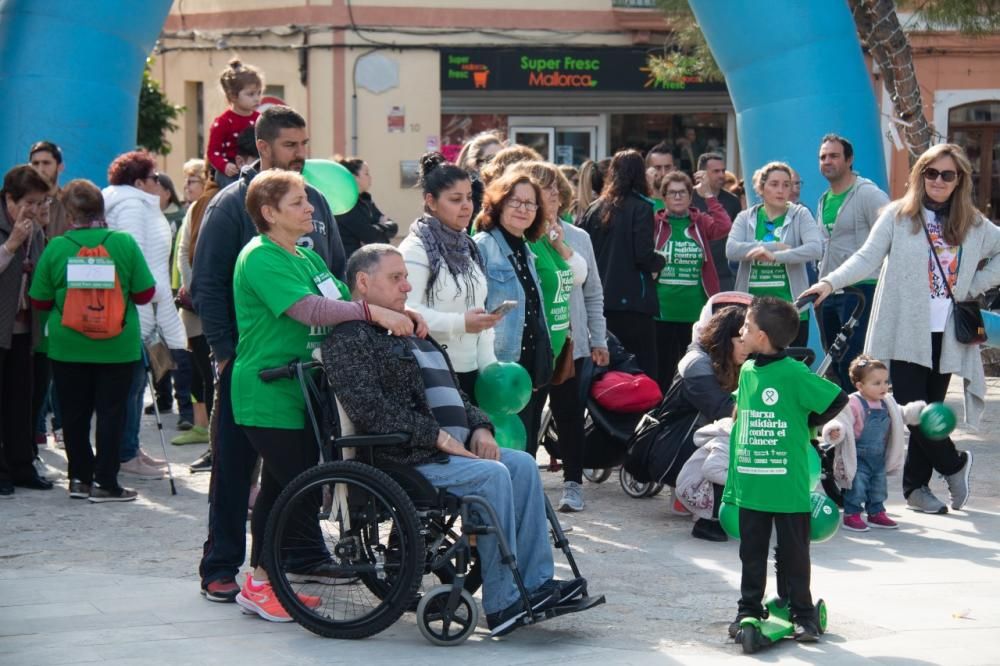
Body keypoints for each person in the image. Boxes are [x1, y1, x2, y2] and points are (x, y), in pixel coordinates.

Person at [324, 244, 586, 637]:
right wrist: (438, 436)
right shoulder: (351, 339)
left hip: (450, 448)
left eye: (405, 277)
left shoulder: (411, 331)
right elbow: (368, 409)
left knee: (523, 464)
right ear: (363, 283)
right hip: (405, 455)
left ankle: (535, 584)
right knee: (494, 475)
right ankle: (503, 603)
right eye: (396, 278)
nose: (407, 285)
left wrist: (480, 426)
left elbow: (457, 396)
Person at [229, 171, 417, 622]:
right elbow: (310, 310)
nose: (311, 209)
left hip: (303, 392)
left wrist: (397, 311)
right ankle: (261, 581)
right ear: (269, 213)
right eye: (298, 203)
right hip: (268, 390)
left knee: (281, 489)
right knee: (294, 489)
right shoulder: (260, 257)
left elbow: (341, 299)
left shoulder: (307, 258)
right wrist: (375, 313)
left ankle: (262, 581)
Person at [192, 105, 347, 603]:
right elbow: (207, 285)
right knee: (236, 468)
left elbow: (334, 270)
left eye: (304, 145)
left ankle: (301, 554)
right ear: (262, 148)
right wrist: (224, 353)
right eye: (290, 146)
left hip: (301, 368)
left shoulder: (316, 200)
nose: (301, 155)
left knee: (295, 467)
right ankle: (222, 566)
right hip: (248, 364)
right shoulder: (231, 205)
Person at [800, 143, 1000, 515]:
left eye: (947, 175)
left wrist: (973, 284)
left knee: (930, 408)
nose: (938, 181)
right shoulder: (898, 215)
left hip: (949, 332)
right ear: (919, 175)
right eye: (931, 172)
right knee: (912, 409)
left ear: (959, 181)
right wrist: (828, 283)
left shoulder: (972, 223)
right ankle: (954, 463)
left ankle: (915, 489)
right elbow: (866, 257)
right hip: (907, 330)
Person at [725, 296, 847, 643]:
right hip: (752, 481)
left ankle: (804, 615)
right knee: (751, 552)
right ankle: (748, 608)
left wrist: (806, 423)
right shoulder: (747, 370)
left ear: (762, 336)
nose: (741, 331)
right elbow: (741, 414)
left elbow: (837, 398)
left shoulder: (795, 373)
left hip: (787, 483)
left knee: (794, 554)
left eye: (746, 326)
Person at [29, 179, 156, 502]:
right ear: (101, 207)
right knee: (112, 414)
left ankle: (78, 480)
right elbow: (145, 293)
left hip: (68, 346)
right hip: (117, 347)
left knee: (73, 416)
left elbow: (40, 300)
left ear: (69, 212)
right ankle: (105, 483)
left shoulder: (57, 246)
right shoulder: (124, 244)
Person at [509, 160, 601, 511]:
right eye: (537, 190)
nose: (546, 196)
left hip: (570, 343)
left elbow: (592, 290)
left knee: (570, 415)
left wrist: (599, 340)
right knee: (528, 418)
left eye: (550, 189)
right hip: (531, 345)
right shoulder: (521, 236)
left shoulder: (578, 237)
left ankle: (573, 484)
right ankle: (527, 484)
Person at [103, 151, 186, 478]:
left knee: (134, 386)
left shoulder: (126, 205)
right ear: (139, 182)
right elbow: (134, 261)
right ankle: (126, 454)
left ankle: (131, 448)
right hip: (135, 311)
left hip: (137, 309)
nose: (158, 182)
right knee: (133, 387)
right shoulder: (133, 209)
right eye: (154, 177)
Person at [399, 152, 498, 399]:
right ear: (431, 201)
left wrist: (490, 369)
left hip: (473, 373)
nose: (466, 206)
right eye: (455, 199)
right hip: (432, 373)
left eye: (469, 197)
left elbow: (479, 312)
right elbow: (407, 312)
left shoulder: (468, 246)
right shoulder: (415, 249)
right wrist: (461, 323)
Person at [474, 172, 553, 458]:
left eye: (530, 204)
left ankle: (524, 499)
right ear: (498, 204)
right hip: (500, 365)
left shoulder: (526, 249)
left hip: (527, 368)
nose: (523, 209)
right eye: (515, 201)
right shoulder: (483, 245)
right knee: (501, 447)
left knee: (527, 443)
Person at [580, 149, 665, 382]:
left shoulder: (594, 208)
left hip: (599, 302)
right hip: (634, 303)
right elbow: (643, 255)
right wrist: (661, 261)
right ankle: (642, 417)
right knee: (642, 370)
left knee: (605, 371)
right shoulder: (642, 207)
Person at [815, 134, 890, 389]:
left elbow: (892, 230)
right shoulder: (823, 199)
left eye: (834, 156)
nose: (827, 161)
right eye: (823, 157)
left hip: (861, 287)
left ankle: (860, 416)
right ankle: (844, 417)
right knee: (833, 361)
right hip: (828, 289)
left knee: (855, 360)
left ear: (849, 159)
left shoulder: (868, 193)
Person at [822, 355, 926, 532]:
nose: (884, 387)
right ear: (860, 386)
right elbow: (841, 420)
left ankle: (876, 512)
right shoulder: (853, 403)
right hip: (858, 455)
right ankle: (852, 515)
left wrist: (916, 411)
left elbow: (901, 413)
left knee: (878, 487)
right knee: (857, 487)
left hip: (878, 455)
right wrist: (834, 430)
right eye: (877, 383)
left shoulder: (887, 402)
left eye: (886, 382)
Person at [672, 304, 748, 541]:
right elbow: (721, 408)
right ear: (726, 339)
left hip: (704, 436)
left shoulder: (736, 362)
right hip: (677, 442)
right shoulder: (697, 362)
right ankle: (710, 517)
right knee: (729, 441)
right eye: (741, 341)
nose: (747, 347)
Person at [726, 162, 823, 346]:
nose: (781, 190)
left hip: (791, 310)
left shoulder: (800, 214)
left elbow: (815, 249)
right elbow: (731, 249)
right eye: (774, 184)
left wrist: (777, 257)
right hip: (752, 312)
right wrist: (774, 247)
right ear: (761, 188)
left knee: (789, 369)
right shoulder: (745, 217)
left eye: (786, 185)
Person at [653, 171, 732, 389]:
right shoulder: (655, 223)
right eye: (672, 193)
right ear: (664, 197)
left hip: (694, 312)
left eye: (683, 193)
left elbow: (724, 226)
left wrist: (708, 196)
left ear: (690, 196)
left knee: (693, 371)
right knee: (662, 371)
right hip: (661, 312)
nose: (677, 197)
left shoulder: (700, 222)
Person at [0, 165, 52, 497]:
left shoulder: (37, 230)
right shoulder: (10, 229)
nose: (35, 209)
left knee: (22, 400)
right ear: (10, 198)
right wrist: (11, 245)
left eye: (40, 202)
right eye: (30, 202)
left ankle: (22, 465)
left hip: (23, 329)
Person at [692, 153, 744, 293]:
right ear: (701, 174)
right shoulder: (687, 199)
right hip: (693, 273)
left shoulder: (732, 201)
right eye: (716, 171)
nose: (722, 175)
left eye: (723, 170)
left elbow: (737, 236)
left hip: (724, 275)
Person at [207, 58, 262, 187]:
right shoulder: (223, 122)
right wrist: (224, 165)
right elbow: (213, 152)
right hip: (231, 170)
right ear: (233, 96)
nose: (257, 98)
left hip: (256, 165)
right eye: (251, 94)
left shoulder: (260, 119)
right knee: (232, 188)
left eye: (259, 93)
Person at [334, 156, 398, 259]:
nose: (370, 177)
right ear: (354, 177)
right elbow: (371, 237)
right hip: (348, 264)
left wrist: (378, 228)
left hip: (363, 261)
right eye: (366, 173)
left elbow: (394, 227)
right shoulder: (345, 206)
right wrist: (381, 225)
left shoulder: (365, 199)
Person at [28, 140, 70, 239]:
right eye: (35, 163)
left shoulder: (70, 204)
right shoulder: (19, 202)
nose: (40, 169)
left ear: (60, 167)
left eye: (46, 163)